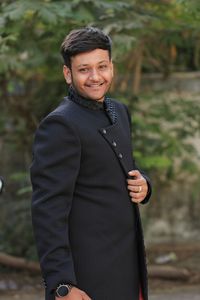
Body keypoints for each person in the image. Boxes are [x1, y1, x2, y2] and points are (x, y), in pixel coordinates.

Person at [30, 27, 152, 300]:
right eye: (84, 69)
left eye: (102, 67)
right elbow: (47, 210)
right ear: (67, 74)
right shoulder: (60, 125)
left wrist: (145, 185)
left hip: (127, 268)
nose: (95, 77)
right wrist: (62, 284)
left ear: (112, 67)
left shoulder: (118, 111)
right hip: (86, 277)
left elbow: (117, 167)